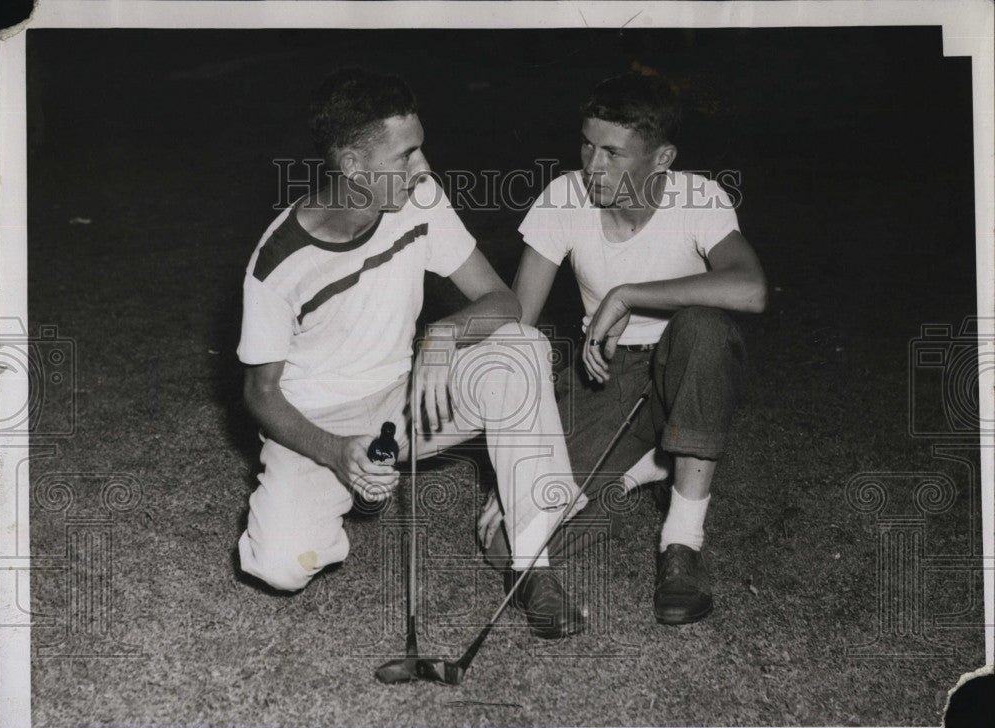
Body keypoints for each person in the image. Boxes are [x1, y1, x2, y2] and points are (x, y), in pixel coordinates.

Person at [236, 68, 588, 639]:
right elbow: (260, 392)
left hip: (408, 403)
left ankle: (531, 562)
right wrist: (334, 452)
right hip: (318, 422)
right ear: (353, 165)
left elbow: (502, 301)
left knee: (522, 348)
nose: (424, 167)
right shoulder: (278, 264)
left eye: (420, 148)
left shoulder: (419, 200)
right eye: (407, 155)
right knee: (279, 566)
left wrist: (443, 335)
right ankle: (351, 488)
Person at [487, 71, 767, 625]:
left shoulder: (698, 196)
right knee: (509, 540)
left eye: (613, 153)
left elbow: (751, 289)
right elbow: (516, 327)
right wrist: (513, 463)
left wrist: (629, 295)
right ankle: (648, 463)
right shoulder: (564, 196)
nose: (593, 166)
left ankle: (681, 543)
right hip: (606, 374)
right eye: (587, 145)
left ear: (662, 157)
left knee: (704, 325)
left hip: (686, 373)